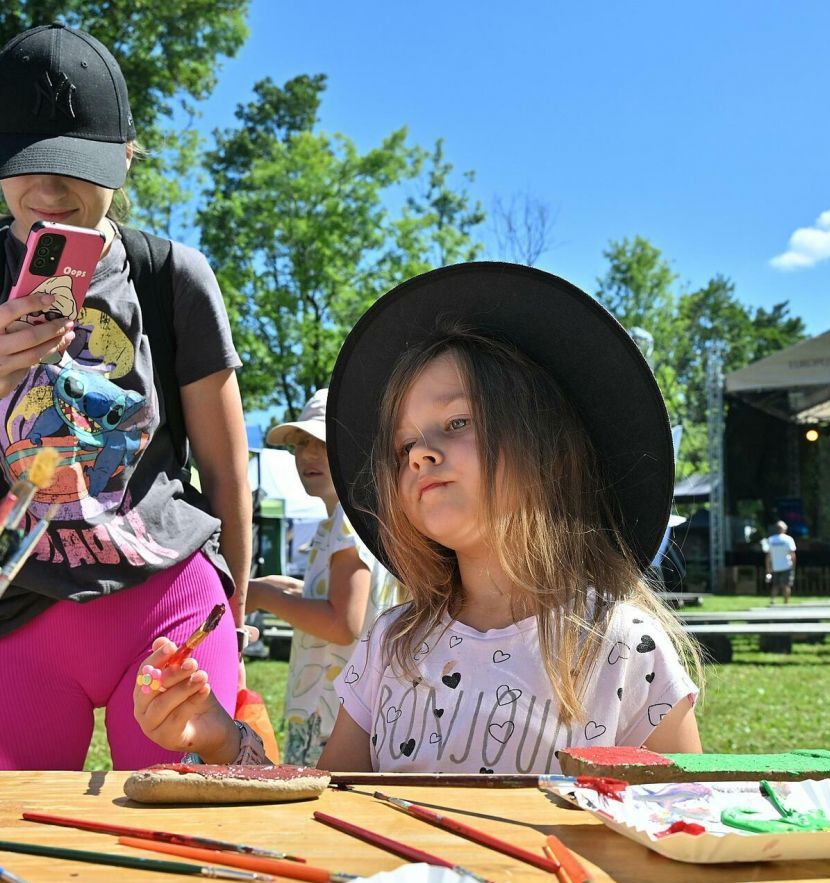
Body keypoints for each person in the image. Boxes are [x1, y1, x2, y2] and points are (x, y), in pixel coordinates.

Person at [133, 263, 701, 773]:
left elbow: (680, 820)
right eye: (404, 445)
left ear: (549, 451)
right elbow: (325, 803)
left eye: (456, 423)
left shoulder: (625, 647)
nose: (420, 454)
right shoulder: (392, 644)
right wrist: (223, 740)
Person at [0, 25, 250, 771]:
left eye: (76, 169)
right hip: (0, 607)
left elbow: (225, 467)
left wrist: (233, 613)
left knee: (194, 827)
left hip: (168, 596)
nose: (49, 193)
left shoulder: (172, 277)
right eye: (26, 166)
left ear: (126, 158)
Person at [249, 388, 380, 765]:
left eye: (322, 443)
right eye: (300, 443)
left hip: (332, 720)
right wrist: (282, 587)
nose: (307, 454)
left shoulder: (347, 520)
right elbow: (342, 598)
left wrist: (264, 597)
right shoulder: (343, 518)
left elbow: (342, 623)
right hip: (335, 712)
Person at [762, 520, 797, 604]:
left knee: (775, 585)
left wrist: (768, 568)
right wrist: (793, 566)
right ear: (784, 529)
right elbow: (792, 554)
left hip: (775, 566)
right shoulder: (788, 539)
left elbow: (768, 556)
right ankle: (786, 602)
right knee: (786, 585)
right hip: (786, 565)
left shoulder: (771, 539)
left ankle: (772, 600)